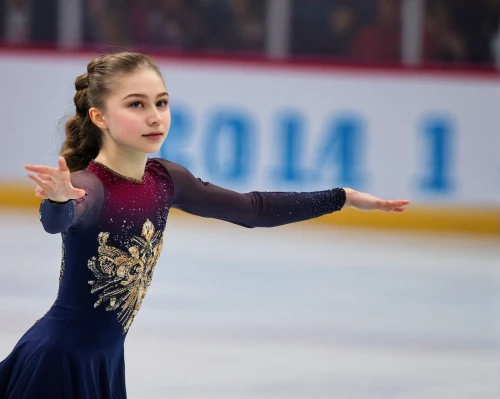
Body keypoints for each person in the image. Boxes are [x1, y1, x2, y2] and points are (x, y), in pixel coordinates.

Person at [0, 52, 409, 398]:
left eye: (161, 103)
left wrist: (341, 197)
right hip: (58, 362)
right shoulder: (90, 184)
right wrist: (58, 200)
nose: (155, 116)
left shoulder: (165, 179)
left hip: (104, 360)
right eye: (136, 105)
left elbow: (253, 209)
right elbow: (61, 220)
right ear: (99, 116)